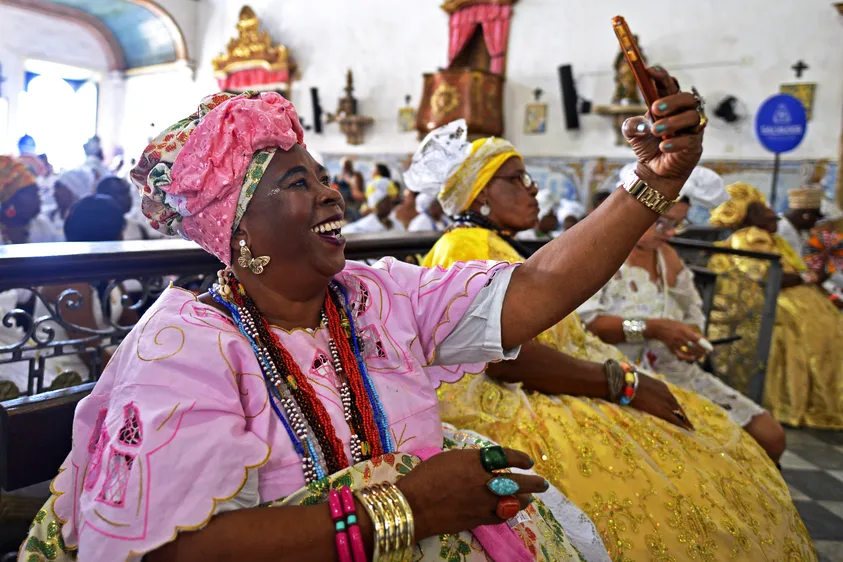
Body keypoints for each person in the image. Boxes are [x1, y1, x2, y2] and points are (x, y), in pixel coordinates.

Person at [21, 69, 715, 561]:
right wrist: (407, 509)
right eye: (300, 183)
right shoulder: (182, 349)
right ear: (236, 230)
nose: (332, 195)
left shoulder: (373, 296)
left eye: (324, 177)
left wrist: (652, 181)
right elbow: (176, 553)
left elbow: (533, 288)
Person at [414, 122, 812, 561]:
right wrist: (623, 383)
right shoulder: (465, 245)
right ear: (479, 194)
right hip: (512, 395)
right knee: (673, 489)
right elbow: (505, 357)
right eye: (515, 179)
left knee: (711, 450)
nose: (532, 190)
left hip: (572, 378)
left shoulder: (497, 243)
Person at [578, 195, 786, 462]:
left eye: (679, 223)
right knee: (710, 449)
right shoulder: (598, 251)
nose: (672, 232)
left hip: (673, 369)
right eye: (663, 222)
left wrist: (690, 339)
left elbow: (692, 314)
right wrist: (650, 328)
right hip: (618, 371)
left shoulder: (667, 257)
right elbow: (585, 325)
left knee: (770, 434)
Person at [707, 183, 843, 429]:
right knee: (810, 329)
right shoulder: (751, 237)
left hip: (796, 296)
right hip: (773, 299)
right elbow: (766, 276)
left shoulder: (772, 238)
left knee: (827, 328)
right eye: (766, 212)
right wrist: (807, 278)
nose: (773, 216)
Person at [33, 195, 130, 391]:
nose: (123, 238)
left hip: (104, 369)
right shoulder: (70, 282)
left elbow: (133, 326)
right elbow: (90, 353)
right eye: (120, 231)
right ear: (109, 235)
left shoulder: (108, 275)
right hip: (67, 379)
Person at [0, 156, 57, 244]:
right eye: (32, 194)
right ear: (10, 199)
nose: (39, 199)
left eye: (38, 192)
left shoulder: (41, 225)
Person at [96, 176, 163, 240]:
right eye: (122, 193)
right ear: (105, 196)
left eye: (127, 192)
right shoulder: (95, 230)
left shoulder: (137, 228)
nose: (128, 197)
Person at [46, 169, 95, 239]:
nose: (54, 193)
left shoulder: (88, 222)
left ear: (73, 191)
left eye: (58, 187)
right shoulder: (48, 216)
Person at [778, 186, 824, 255]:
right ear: (807, 215)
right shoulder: (780, 229)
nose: (815, 224)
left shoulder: (802, 233)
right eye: (816, 218)